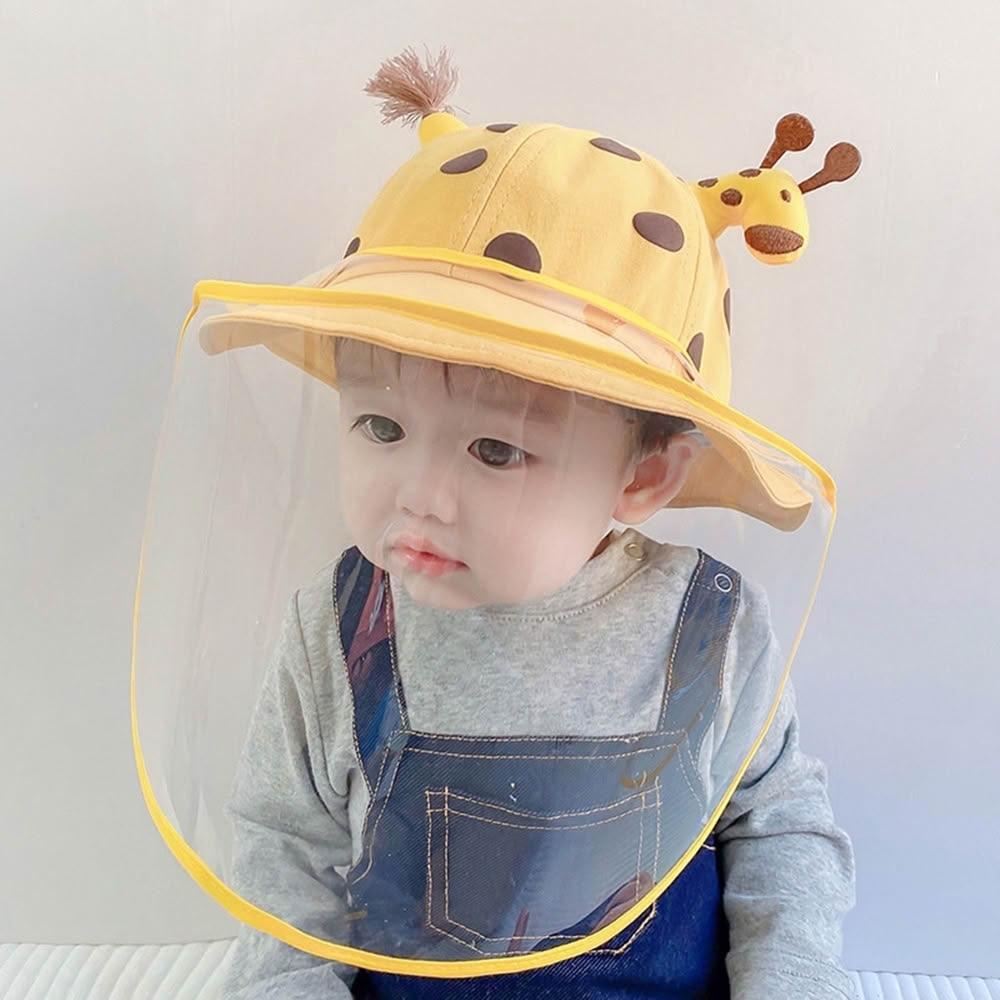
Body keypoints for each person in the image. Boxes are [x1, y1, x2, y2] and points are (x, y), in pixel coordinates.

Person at [209, 44, 861, 1000]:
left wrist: (791, 979)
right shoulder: (340, 630)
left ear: (644, 476)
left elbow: (781, 826)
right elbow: (284, 850)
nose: (419, 495)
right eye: (381, 426)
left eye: (495, 449)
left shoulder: (711, 632)